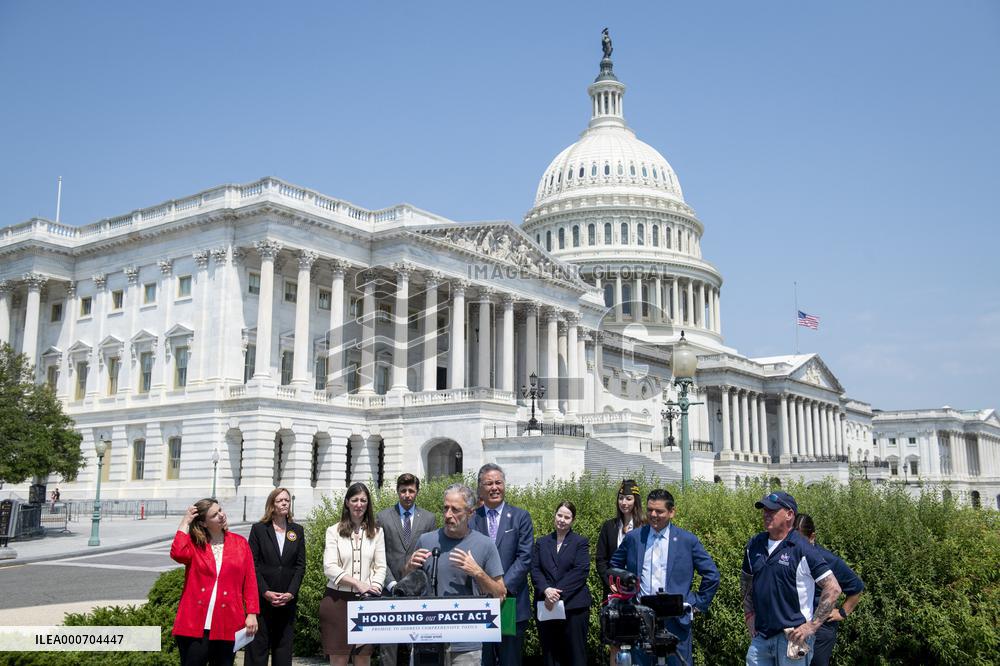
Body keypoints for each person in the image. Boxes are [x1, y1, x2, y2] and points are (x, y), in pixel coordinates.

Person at [609, 488, 720, 666]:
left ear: (671, 512)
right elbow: (614, 567)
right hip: (641, 619)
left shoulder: (687, 540)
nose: (653, 515)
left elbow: (712, 575)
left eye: (659, 511)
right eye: (650, 509)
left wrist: (697, 604)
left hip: (676, 621)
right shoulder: (635, 538)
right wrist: (626, 593)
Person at [404, 483, 507, 666]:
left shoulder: (485, 545)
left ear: (470, 513)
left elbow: (500, 595)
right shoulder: (426, 540)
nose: (448, 515)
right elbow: (407, 588)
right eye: (445, 508)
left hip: (466, 644)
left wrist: (478, 572)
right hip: (426, 639)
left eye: (455, 510)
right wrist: (409, 568)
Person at [741, 492, 842, 666]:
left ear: (789, 514)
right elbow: (746, 581)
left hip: (793, 637)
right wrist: (749, 614)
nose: (766, 514)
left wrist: (812, 626)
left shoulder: (802, 548)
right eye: (764, 510)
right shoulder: (754, 544)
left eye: (772, 511)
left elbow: (833, 588)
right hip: (761, 637)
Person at [171, 498, 259, 666]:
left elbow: (250, 580)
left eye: (220, 510)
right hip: (194, 623)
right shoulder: (195, 544)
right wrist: (185, 521)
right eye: (214, 514)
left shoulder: (240, 543)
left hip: (228, 621)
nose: (221, 515)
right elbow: (177, 553)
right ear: (204, 523)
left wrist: (252, 613)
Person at [470, 463, 534, 666]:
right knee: (484, 660)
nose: (494, 487)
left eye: (498, 482)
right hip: (480, 601)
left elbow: (525, 558)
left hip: (510, 601)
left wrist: (501, 588)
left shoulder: (520, 517)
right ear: (480, 488)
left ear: (504, 485)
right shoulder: (471, 519)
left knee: (510, 661)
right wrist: (489, 588)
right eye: (489, 483)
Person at [375, 473, 438, 666]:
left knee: (418, 641)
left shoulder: (428, 518)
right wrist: (392, 583)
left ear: (417, 492)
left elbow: (429, 554)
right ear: (397, 492)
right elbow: (378, 555)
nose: (407, 495)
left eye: (411, 491)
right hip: (390, 588)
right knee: (389, 645)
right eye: (403, 491)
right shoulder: (383, 517)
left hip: (418, 590)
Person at [320, 482, 386, 666]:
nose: (359, 504)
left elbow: (380, 566)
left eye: (363, 500)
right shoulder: (333, 531)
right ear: (347, 503)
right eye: (355, 500)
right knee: (339, 658)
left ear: (368, 504)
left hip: (365, 602)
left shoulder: (377, 533)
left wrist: (373, 587)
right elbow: (330, 567)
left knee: (363, 658)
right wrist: (357, 583)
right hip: (337, 601)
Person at [794, 513, 864, 666]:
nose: (798, 546)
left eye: (802, 541)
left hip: (821, 629)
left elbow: (856, 588)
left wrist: (842, 612)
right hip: (795, 627)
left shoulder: (829, 561)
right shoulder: (788, 558)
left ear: (812, 536)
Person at [246, 487, 306, 666]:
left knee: (283, 649)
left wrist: (291, 592)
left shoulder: (297, 530)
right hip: (263, 600)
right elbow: (252, 565)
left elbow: (300, 565)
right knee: (258, 649)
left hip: (287, 601)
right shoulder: (259, 529)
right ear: (272, 504)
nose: (285, 503)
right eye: (280, 500)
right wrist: (265, 591)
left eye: (287, 500)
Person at [530, 500, 592, 666]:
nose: (562, 520)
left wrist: (556, 593)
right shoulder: (541, 542)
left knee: (575, 655)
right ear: (554, 515)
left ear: (573, 520)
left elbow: (580, 572)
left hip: (574, 607)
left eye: (567, 517)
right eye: (559, 515)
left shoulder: (580, 542)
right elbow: (535, 570)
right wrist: (546, 590)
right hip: (546, 605)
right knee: (550, 654)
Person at [596, 479, 645, 666]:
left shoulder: (644, 527)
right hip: (614, 593)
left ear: (636, 501)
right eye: (621, 498)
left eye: (629, 498)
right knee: (614, 644)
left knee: (639, 643)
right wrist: (611, 582)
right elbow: (601, 560)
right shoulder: (609, 526)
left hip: (637, 593)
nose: (624, 503)